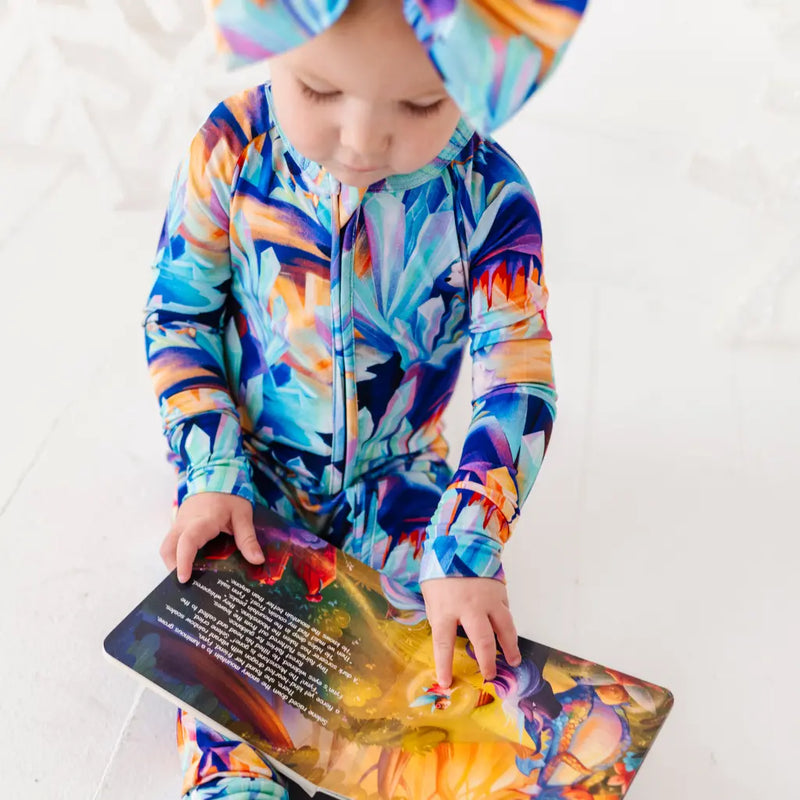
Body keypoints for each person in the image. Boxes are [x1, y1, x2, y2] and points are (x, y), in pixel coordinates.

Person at [145, 1, 585, 796]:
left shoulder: (488, 196)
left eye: (421, 104)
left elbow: (515, 379)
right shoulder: (230, 150)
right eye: (317, 90)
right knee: (225, 682)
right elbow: (181, 313)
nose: (362, 139)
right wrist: (210, 469)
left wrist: (467, 540)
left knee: (437, 689)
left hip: (405, 483)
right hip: (249, 485)